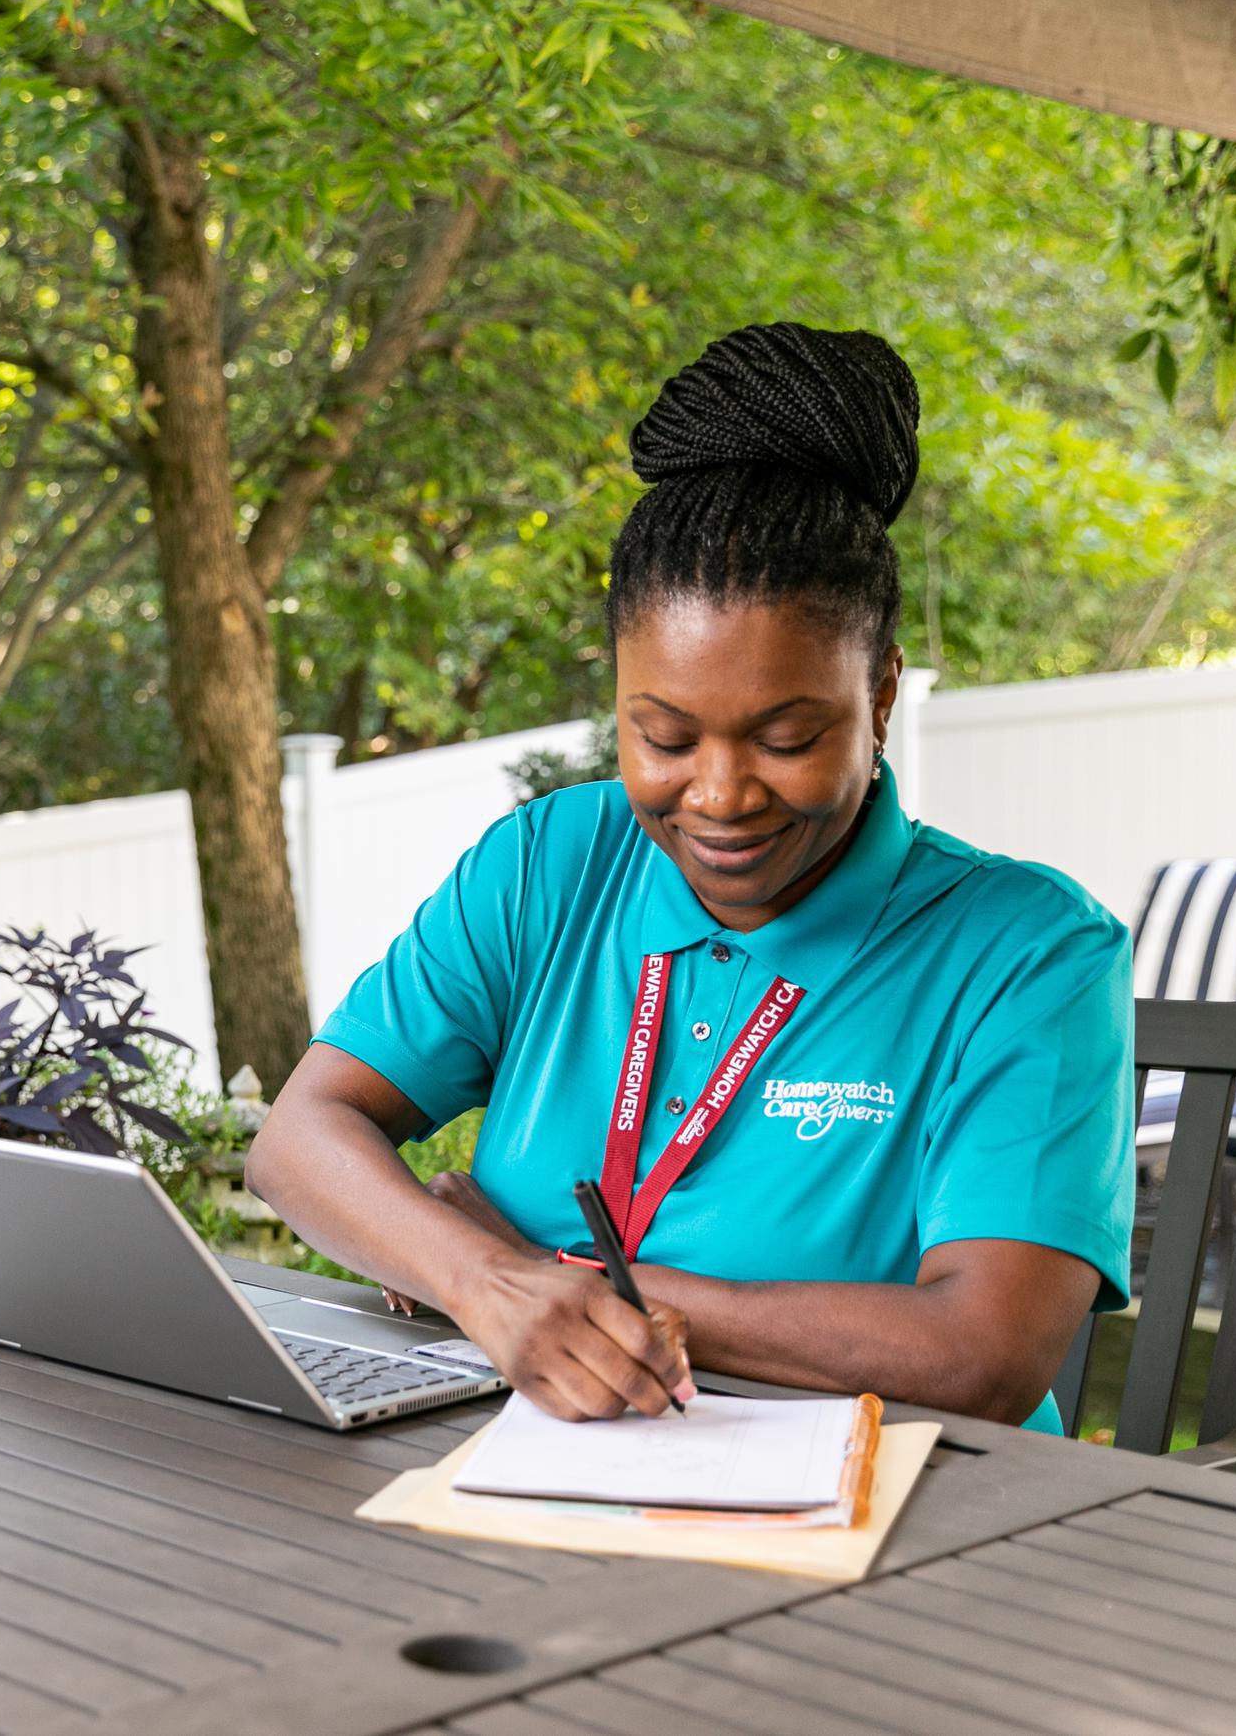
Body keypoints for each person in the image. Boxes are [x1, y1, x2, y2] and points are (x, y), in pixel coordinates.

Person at [245, 322, 1133, 1432]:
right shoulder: (549, 864)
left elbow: (981, 1356)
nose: (717, 795)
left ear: (883, 693)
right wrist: (484, 1283)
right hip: (544, 1466)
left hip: (897, 1511)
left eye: (785, 737)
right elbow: (300, 1135)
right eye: (663, 738)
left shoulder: (1027, 951)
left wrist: (548, 1277)